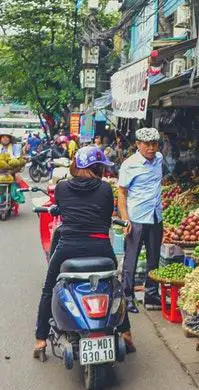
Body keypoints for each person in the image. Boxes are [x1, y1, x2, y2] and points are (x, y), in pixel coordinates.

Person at [33, 146, 134, 358]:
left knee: (48, 289)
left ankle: (41, 340)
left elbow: (60, 208)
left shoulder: (61, 188)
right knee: (116, 286)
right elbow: (107, 215)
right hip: (101, 248)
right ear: (97, 168)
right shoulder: (106, 189)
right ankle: (126, 334)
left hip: (68, 248)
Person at [118, 128, 163, 313]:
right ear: (138, 145)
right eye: (147, 145)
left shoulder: (159, 159)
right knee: (131, 260)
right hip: (136, 218)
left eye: (155, 144)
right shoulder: (129, 165)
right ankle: (127, 297)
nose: (152, 148)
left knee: (154, 259)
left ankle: (151, 294)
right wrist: (125, 219)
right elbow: (121, 193)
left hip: (155, 217)